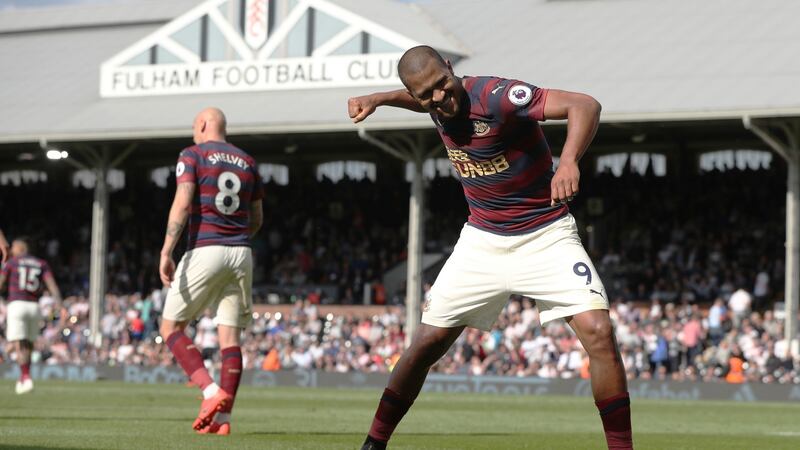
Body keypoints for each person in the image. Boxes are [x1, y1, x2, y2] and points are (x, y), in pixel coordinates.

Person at [348, 46, 632, 449]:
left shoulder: (498, 96)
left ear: (451, 69)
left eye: (443, 86)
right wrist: (377, 99)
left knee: (599, 332)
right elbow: (415, 98)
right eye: (426, 95)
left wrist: (569, 160)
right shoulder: (431, 100)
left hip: (545, 234)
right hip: (482, 241)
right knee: (427, 342)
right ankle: (374, 444)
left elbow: (585, 104)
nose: (439, 99)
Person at [158, 107, 264, 435]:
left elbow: (183, 199)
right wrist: (238, 239)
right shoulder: (248, 161)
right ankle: (223, 420)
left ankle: (209, 390)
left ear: (203, 124)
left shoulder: (192, 154)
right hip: (242, 251)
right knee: (230, 339)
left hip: (206, 247)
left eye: (194, 126)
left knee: (170, 327)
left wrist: (166, 251)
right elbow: (258, 216)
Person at [0, 238, 62, 394]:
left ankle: (25, 376)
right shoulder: (41, 263)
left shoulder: (12, 263)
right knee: (29, 343)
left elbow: (1, 283)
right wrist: (59, 306)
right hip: (34, 306)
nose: (11, 250)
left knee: (19, 343)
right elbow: (52, 286)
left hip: (16, 304)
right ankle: (24, 378)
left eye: (13, 247)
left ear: (19, 248)